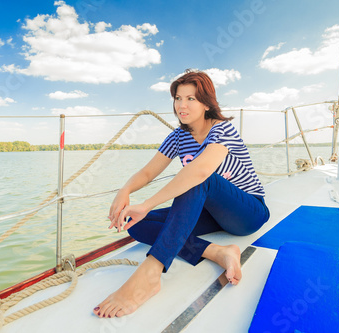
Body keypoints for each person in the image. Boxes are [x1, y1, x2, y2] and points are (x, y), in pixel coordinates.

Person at [92, 69, 270, 319]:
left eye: (191, 99)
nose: (181, 106)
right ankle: (218, 252)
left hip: (247, 212)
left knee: (197, 177)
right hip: (210, 213)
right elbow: (147, 173)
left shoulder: (223, 130)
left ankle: (151, 272)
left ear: (207, 103)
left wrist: (148, 202)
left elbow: (200, 172)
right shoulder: (178, 137)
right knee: (137, 224)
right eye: (178, 98)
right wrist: (125, 190)